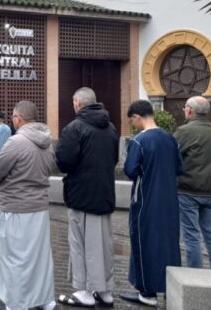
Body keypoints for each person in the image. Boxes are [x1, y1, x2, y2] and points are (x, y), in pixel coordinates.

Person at [55, 88, 118, 308]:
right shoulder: (110, 127)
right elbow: (115, 158)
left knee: (81, 244)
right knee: (103, 244)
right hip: (104, 194)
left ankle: (83, 291)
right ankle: (104, 290)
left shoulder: (75, 128)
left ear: (77, 103)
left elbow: (64, 161)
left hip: (81, 195)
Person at [0, 101, 56, 310]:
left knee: (14, 258)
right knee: (39, 258)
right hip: (39, 207)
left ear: (18, 118)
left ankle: (16, 302)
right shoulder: (47, 142)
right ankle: (44, 298)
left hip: (16, 207)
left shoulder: (16, 142)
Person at [121, 100, 183, 307]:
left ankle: (146, 292)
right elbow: (179, 167)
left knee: (143, 242)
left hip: (145, 200)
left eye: (133, 120)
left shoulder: (140, 141)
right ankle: (169, 288)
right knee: (168, 244)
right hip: (169, 201)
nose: (133, 124)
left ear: (137, 116)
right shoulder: (169, 138)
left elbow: (130, 170)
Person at [174, 96, 211, 270]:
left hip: (189, 190)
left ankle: (195, 276)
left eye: (185, 108)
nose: (183, 110)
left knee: (191, 236)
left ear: (190, 110)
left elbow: (173, 156)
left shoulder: (185, 131)